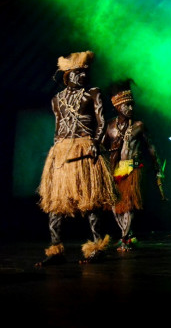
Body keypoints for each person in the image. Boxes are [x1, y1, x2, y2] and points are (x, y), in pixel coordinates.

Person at [36, 51, 116, 266]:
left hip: (86, 149)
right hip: (62, 151)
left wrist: (96, 145)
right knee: (56, 204)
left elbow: (101, 123)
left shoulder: (94, 93)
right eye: (77, 73)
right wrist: (55, 152)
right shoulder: (57, 99)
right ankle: (56, 251)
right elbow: (57, 128)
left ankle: (98, 247)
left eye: (84, 73)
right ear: (67, 75)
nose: (82, 76)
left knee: (90, 202)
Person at [103, 79, 166, 252]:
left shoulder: (139, 126)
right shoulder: (109, 126)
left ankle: (125, 238)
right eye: (127, 106)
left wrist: (158, 170)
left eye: (132, 105)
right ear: (117, 106)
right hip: (117, 169)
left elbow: (151, 148)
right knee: (116, 206)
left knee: (129, 205)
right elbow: (102, 148)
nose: (130, 109)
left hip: (133, 167)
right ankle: (128, 236)